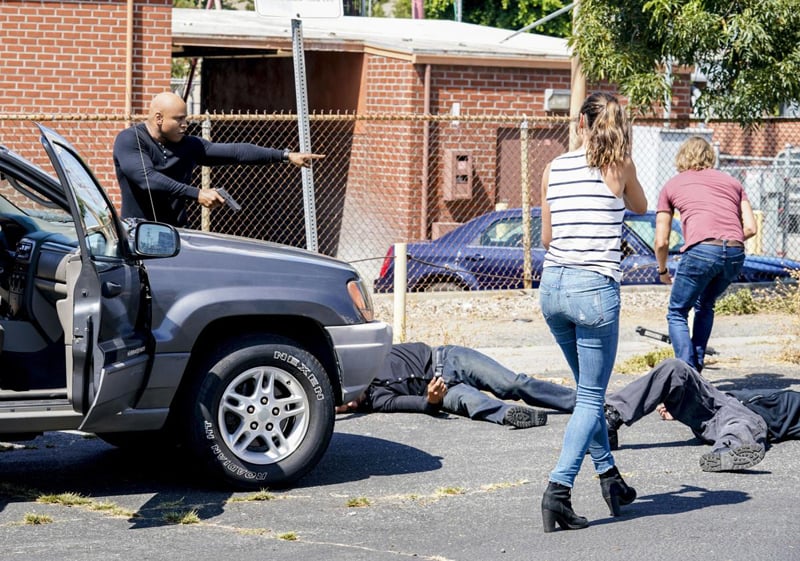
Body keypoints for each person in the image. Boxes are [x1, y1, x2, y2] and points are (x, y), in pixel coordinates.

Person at [538, 91, 648, 532]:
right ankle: (557, 491)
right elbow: (640, 207)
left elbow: (546, 239)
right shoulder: (619, 167)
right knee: (590, 397)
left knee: (588, 392)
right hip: (595, 289)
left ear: (580, 124)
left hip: (553, 287)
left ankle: (610, 480)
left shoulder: (552, 168)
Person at [113, 92, 324, 227]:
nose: (185, 124)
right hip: (137, 233)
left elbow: (236, 152)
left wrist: (284, 155)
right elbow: (147, 178)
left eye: (185, 118)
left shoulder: (189, 145)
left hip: (176, 234)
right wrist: (196, 193)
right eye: (179, 119)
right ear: (158, 118)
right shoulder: (131, 140)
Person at [655, 136, 757, 372]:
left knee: (677, 312)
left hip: (701, 250)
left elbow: (661, 240)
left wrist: (662, 270)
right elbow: (751, 227)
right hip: (734, 252)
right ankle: (696, 370)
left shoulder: (672, 185)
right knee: (705, 305)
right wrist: (724, 243)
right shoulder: (733, 183)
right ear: (710, 157)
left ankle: (686, 373)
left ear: (681, 157)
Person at [605, 358, 800, 471]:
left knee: (741, 425)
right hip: (718, 402)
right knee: (675, 368)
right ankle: (610, 418)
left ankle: (728, 452)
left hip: (747, 418)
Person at [335, 342, 576, 428]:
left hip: (449, 359)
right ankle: (513, 415)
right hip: (443, 390)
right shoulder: (378, 402)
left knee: (512, 384)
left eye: (342, 401)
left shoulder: (370, 356)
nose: (348, 405)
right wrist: (432, 399)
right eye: (343, 410)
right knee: (473, 404)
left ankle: (579, 401)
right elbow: (420, 405)